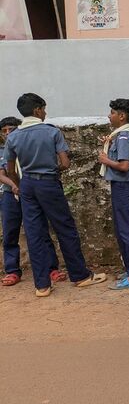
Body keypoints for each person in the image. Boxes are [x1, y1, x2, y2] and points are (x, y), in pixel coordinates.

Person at [4, 93, 106, 297]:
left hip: (27, 185)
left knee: (34, 233)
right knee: (65, 228)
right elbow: (66, 163)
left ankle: (41, 285)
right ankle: (80, 275)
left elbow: (10, 168)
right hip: (48, 183)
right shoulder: (51, 132)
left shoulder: (13, 136)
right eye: (44, 108)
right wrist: (54, 170)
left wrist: (19, 184)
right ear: (37, 110)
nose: (45, 112)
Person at [0, 117, 62, 286]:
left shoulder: (24, 144)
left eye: (10, 129)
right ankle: (12, 270)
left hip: (32, 193)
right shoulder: (2, 151)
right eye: (4, 131)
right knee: (10, 232)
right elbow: (2, 174)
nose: (7, 133)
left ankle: (51, 268)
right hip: (10, 195)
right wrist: (15, 185)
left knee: (40, 229)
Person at [99, 99, 129, 290]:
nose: (109, 116)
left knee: (128, 230)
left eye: (112, 112)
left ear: (122, 116)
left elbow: (124, 166)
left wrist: (105, 159)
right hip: (122, 186)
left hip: (125, 186)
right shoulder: (120, 135)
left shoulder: (124, 136)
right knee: (122, 229)